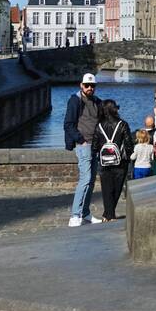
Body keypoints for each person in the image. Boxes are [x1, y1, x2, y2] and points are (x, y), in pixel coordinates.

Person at [63, 72, 103, 227]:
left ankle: (85, 213)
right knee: (85, 180)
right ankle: (74, 215)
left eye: (92, 86)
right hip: (84, 145)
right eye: (87, 85)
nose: (90, 88)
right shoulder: (75, 101)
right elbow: (68, 124)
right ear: (81, 85)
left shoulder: (97, 102)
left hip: (95, 145)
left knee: (91, 181)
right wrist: (81, 140)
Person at [96, 100, 134, 222]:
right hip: (120, 162)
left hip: (104, 162)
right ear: (114, 110)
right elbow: (128, 144)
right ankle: (110, 215)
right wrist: (127, 157)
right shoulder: (123, 124)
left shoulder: (99, 125)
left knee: (106, 190)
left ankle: (107, 215)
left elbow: (94, 146)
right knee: (117, 189)